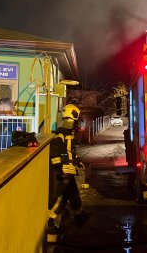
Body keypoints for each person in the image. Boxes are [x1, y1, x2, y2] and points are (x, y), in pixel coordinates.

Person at [47, 104, 89, 242]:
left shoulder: (68, 132)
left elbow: (70, 151)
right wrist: (60, 168)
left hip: (69, 169)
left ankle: (80, 217)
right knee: (61, 198)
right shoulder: (61, 132)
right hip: (65, 171)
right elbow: (55, 152)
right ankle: (50, 221)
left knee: (73, 195)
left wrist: (77, 161)